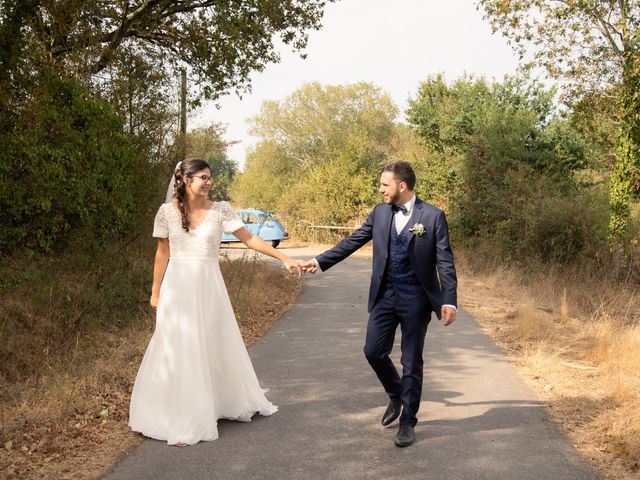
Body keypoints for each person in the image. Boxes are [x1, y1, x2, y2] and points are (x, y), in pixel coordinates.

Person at [129, 158, 302, 446]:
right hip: (178, 287)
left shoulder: (220, 210)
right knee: (180, 345)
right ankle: (184, 418)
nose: (208, 182)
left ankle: (217, 402)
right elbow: (162, 253)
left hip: (209, 286)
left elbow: (249, 238)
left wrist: (283, 257)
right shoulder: (166, 212)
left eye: (210, 177)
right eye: (203, 177)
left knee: (212, 341)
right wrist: (155, 290)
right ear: (185, 180)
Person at [301, 161, 457, 447]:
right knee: (373, 351)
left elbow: (445, 262)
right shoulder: (380, 212)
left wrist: (449, 301)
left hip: (416, 301)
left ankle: (408, 422)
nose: (380, 189)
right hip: (384, 297)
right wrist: (320, 261)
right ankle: (397, 393)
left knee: (411, 361)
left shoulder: (433, 217)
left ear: (402, 185)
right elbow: (353, 241)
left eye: (385, 185)